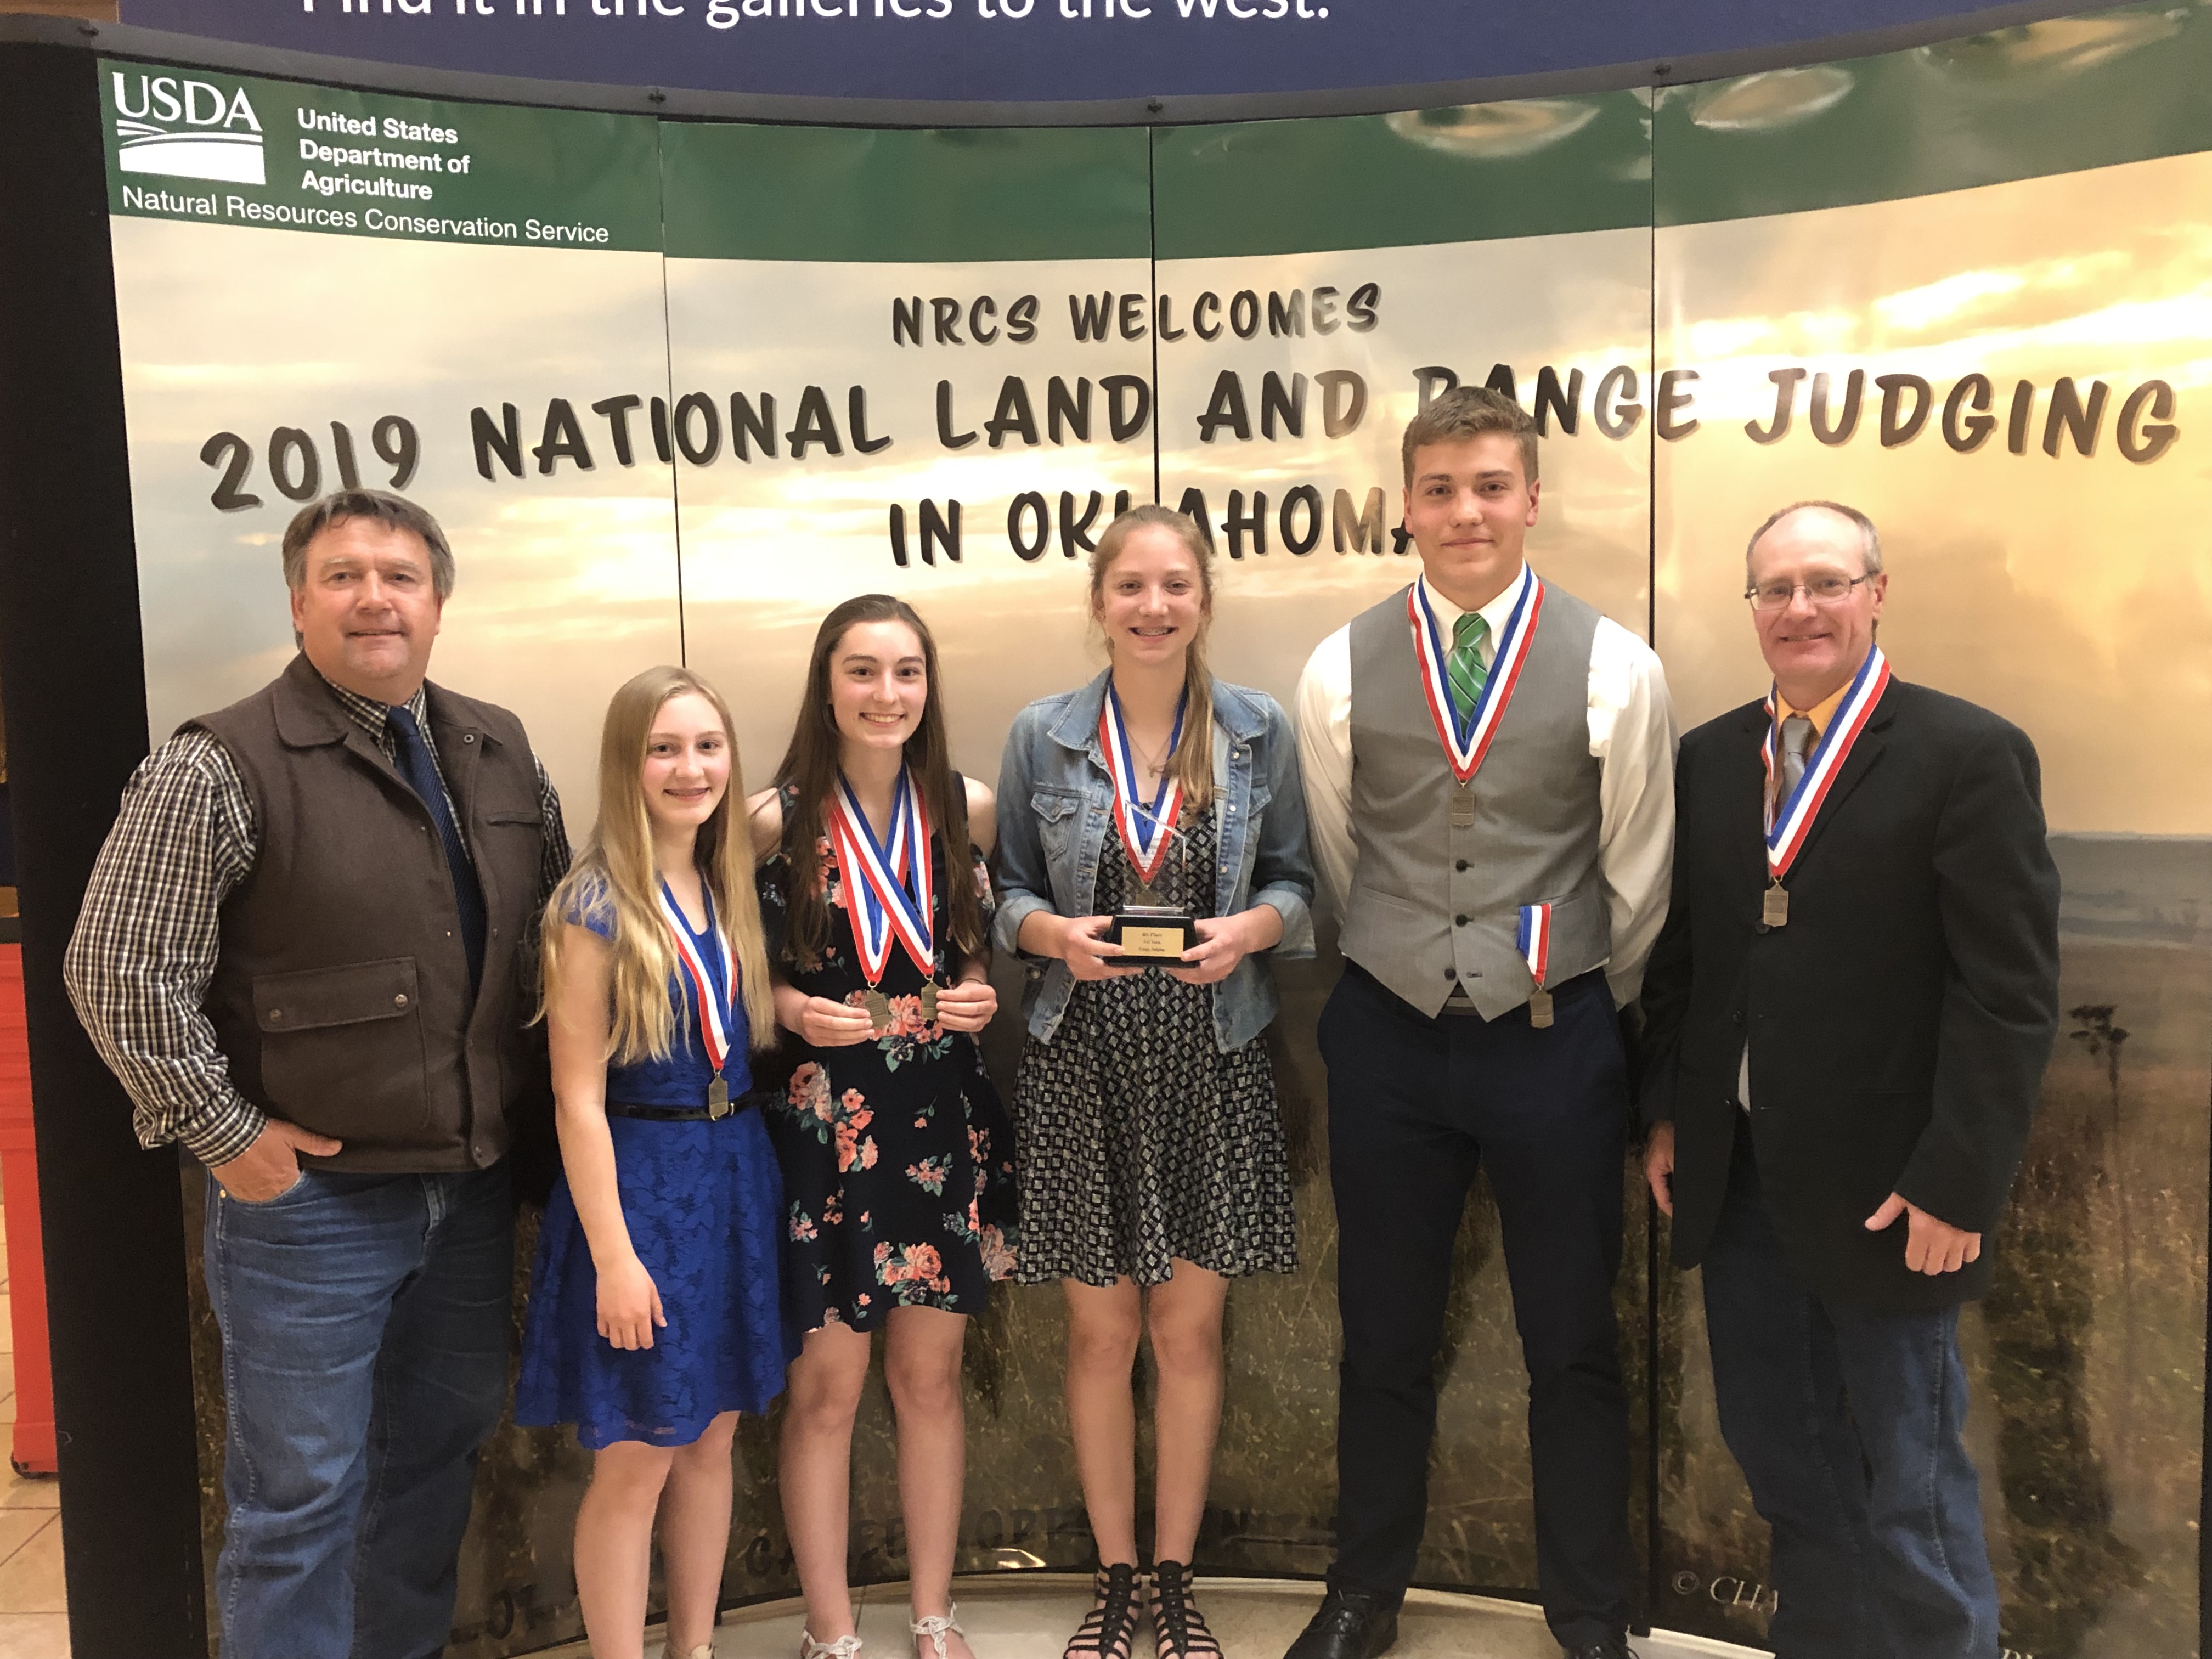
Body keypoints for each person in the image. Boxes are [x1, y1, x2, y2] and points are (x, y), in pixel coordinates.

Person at [63, 489, 568, 1659]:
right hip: (313, 1213)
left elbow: (556, 934)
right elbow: (117, 972)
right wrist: (229, 1138)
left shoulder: (501, 748)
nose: (373, 597)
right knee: (297, 1507)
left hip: (473, 1193)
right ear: (299, 604)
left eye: (399, 575)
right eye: (341, 576)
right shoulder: (219, 763)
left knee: (431, 1467)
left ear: (439, 603)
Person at [1289, 387, 1675, 1659]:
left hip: (1555, 1042)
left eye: (1491, 486)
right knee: (1383, 1335)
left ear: (1531, 499)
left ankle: (1590, 1613)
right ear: (1405, 504)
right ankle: (1363, 1595)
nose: (1466, 512)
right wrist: (1413, 959)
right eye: (1441, 489)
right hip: (1392, 1040)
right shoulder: (1338, 667)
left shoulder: (1618, 665)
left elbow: (1638, 877)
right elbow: (1345, 856)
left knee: (1572, 1342)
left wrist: (1568, 1007)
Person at [1638, 501, 2060, 1659]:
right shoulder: (1714, 759)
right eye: (1774, 590)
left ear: (1878, 592)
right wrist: (1671, 1113)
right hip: (1744, 1193)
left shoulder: (1966, 755)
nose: (1800, 609)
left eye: (1825, 583)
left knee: (1911, 1495)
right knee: (1788, 1470)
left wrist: (1958, 1185)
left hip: (1896, 1198)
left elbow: (2008, 996)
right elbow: (1693, 958)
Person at [996, 505, 1317, 1659]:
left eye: (1175, 585)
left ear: (1204, 600)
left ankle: (1175, 1580)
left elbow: (1299, 885)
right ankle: (1113, 1576)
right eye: (1130, 586)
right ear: (1099, 602)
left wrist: (1247, 933)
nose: (1153, 606)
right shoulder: (1045, 734)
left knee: (1187, 1336)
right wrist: (1052, 940)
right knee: (1098, 1338)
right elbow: (1006, 898)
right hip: (1082, 1062)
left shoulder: (1252, 730)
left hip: (1210, 1058)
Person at [751, 594, 1018, 1659]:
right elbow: (734, 961)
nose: (886, 694)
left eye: (906, 672)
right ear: (826, 684)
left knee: (929, 1382)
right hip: (829, 1127)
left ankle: (933, 1614)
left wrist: (976, 987)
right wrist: (781, 1007)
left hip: (940, 1117)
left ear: (929, 686)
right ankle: (830, 1631)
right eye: (863, 672)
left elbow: (968, 943)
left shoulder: (968, 806)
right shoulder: (774, 817)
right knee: (827, 1390)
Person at [515, 665, 794, 1659]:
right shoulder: (591, 907)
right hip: (640, 1189)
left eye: (708, 746)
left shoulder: (724, 882)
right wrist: (616, 1259)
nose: (690, 769)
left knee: (714, 1437)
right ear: (626, 763)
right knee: (637, 1460)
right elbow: (576, 1101)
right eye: (664, 749)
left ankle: (696, 1647)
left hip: (730, 1175)